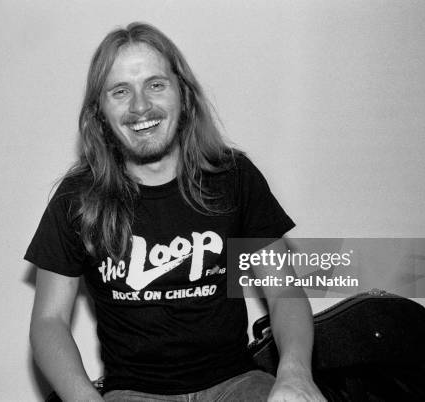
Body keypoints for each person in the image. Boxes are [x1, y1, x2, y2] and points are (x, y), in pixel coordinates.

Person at [25, 22, 325, 402]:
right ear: (99, 113)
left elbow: (283, 292)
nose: (140, 106)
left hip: (236, 383)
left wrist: (296, 375)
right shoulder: (77, 198)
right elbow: (48, 322)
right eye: (120, 91)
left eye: (155, 84)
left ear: (183, 94)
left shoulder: (233, 177)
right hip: (132, 391)